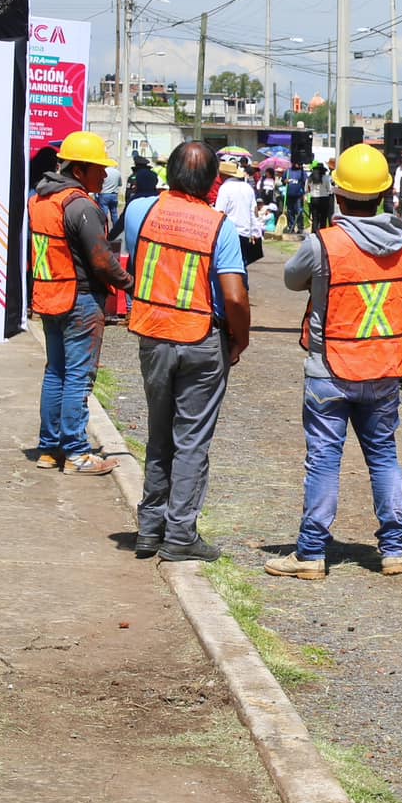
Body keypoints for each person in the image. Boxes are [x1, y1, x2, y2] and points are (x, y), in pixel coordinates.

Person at [270, 143, 402, 581]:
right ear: (385, 194)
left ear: (339, 193)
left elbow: (291, 279)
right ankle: (394, 550)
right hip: (385, 369)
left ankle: (311, 554)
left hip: (330, 371)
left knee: (324, 460)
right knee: (384, 457)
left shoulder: (324, 244)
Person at [122, 140, 251, 563]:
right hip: (201, 340)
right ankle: (180, 534)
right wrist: (240, 338)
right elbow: (233, 297)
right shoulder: (220, 228)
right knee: (192, 439)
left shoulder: (141, 210)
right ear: (213, 182)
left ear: (169, 174)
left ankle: (148, 528)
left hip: (153, 334)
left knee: (159, 433)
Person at [28, 131, 133, 476]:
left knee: (55, 373)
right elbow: (101, 260)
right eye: (99, 169)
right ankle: (76, 453)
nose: (104, 176)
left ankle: (49, 449)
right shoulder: (81, 205)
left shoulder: (42, 199)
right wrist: (127, 283)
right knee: (78, 377)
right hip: (79, 300)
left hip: (50, 295)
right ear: (80, 169)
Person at [216, 157, 264, 267]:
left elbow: (220, 212)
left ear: (224, 175)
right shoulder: (248, 188)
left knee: (228, 266)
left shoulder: (225, 188)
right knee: (242, 265)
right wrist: (256, 232)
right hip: (245, 234)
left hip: (229, 234)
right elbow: (254, 212)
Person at [307, 159, 334, 231]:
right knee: (323, 218)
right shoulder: (326, 177)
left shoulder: (310, 178)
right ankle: (322, 233)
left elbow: (306, 189)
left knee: (315, 218)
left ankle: (314, 232)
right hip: (324, 199)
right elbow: (329, 189)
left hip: (313, 198)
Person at [285, 161, 308, 235]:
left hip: (298, 195)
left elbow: (306, 183)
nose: (298, 164)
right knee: (290, 212)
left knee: (299, 212)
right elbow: (283, 180)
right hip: (289, 195)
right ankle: (291, 227)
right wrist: (285, 181)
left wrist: (305, 195)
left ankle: (300, 228)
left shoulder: (302, 172)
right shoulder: (288, 171)